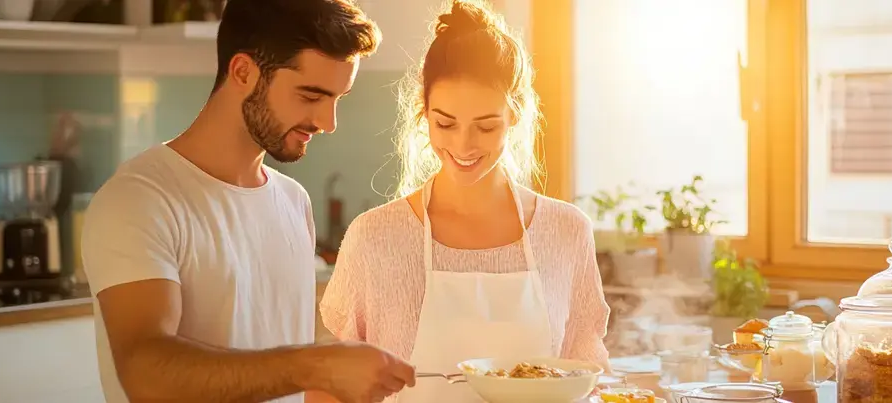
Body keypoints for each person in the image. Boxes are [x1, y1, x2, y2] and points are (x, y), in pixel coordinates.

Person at [81, 1, 416, 402]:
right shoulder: (141, 198)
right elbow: (145, 375)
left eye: (337, 98)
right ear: (243, 72)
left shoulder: (293, 201)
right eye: (311, 95)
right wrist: (317, 365)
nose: (328, 123)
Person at [319, 1, 611, 402]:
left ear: (516, 114)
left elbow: (589, 372)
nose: (463, 145)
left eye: (486, 126)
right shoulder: (374, 238)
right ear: (423, 114)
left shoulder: (566, 231)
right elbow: (333, 388)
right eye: (445, 123)